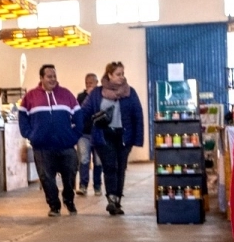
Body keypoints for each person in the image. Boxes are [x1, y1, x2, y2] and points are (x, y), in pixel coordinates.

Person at [19, 65, 83, 217]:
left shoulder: (66, 94)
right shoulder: (30, 96)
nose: (53, 79)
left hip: (66, 145)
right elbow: (23, 118)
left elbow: (78, 116)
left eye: (54, 76)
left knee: (70, 175)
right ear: (41, 78)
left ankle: (69, 200)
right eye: (49, 76)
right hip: (42, 146)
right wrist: (30, 135)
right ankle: (54, 206)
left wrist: (74, 136)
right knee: (46, 178)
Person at [83, 62, 145, 216]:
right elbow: (85, 111)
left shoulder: (130, 93)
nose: (121, 77)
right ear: (109, 75)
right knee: (110, 166)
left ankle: (117, 200)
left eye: (123, 73)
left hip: (124, 136)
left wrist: (137, 138)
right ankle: (111, 199)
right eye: (118, 74)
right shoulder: (97, 93)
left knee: (121, 168)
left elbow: (137, 115)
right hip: (104, 135)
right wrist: (82, 126)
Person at [76, 72, 103, 196]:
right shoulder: (81, 97)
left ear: (97, 83)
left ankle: (97, 186)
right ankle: (83, 185)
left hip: (98, 133)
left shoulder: (102, 96)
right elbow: (79, 112)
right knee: (84, 159)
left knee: (98, 161)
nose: (88, 85)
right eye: (87, 83)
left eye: (91, 83)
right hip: (84, 134)